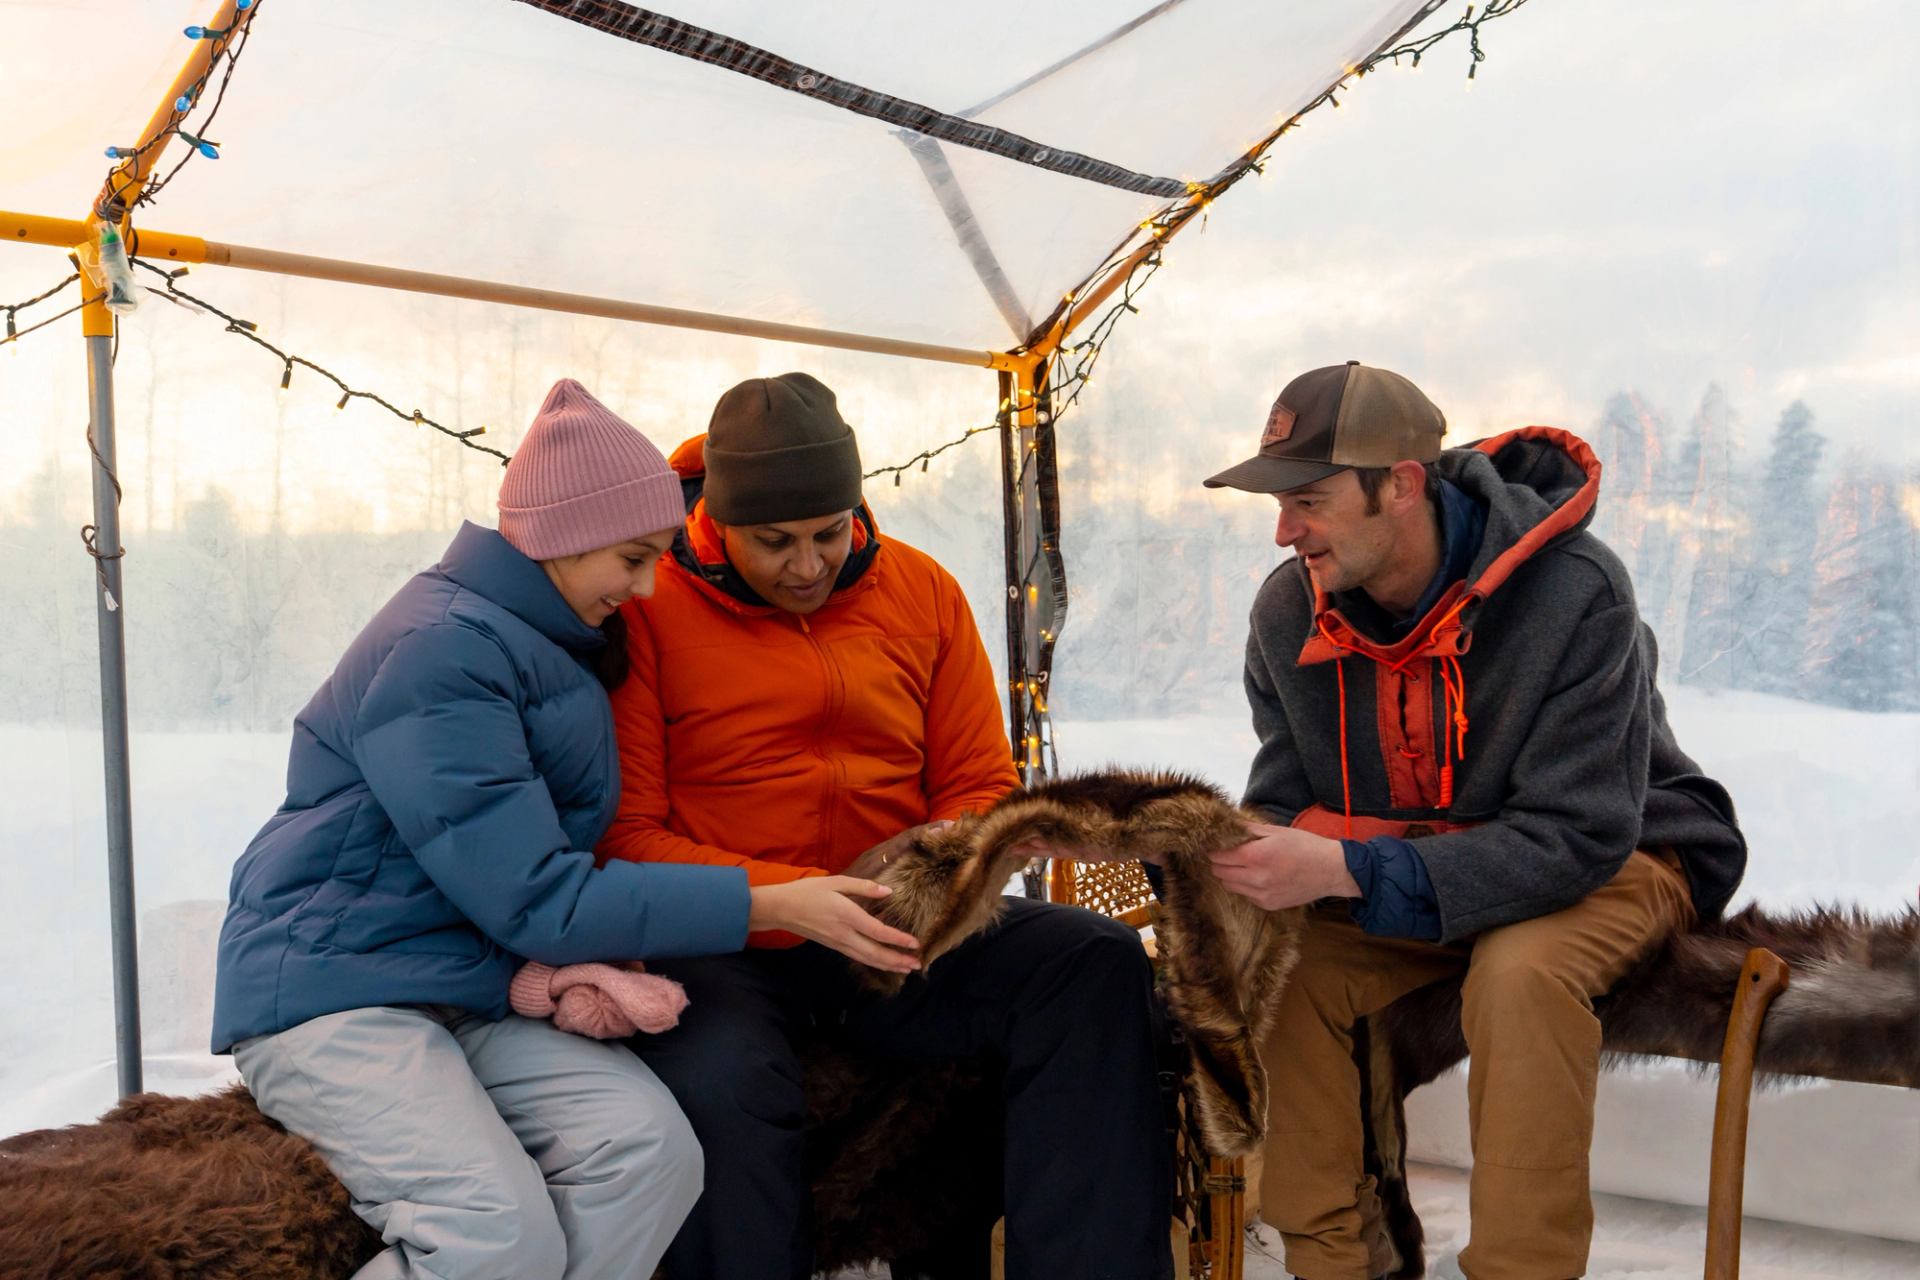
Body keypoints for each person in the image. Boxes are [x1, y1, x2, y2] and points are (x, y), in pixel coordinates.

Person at [210, 378, 906, 1280]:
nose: (648, 585)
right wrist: (773, 901)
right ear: (560, 537)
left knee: (647, 1153)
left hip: (458, 985)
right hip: (335, 992)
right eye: (633, 558)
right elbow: (542, 898)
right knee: (492, 1232)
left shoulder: (548, 640)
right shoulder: (442, 651)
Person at [598, 372, 1175, 1280]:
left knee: (1091, 962)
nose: (807, 565)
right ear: (718, 520)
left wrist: (933, 860)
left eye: (829, 532)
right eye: (774, 542)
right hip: (723, 941)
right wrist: (796, 897)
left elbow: (981, 783)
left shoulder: (922, 590)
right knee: (724, 1087)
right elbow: (628, 836)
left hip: (893, 927)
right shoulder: (645, 606)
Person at [1200, 361, 1747, 1280]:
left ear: (1401, 485)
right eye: (1279, 503)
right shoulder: (1288, 609)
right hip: (1422, 860)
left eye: (1309, 501)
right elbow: (1287, 797)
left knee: (1520, 975)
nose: (1284, 531)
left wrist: (1349, 866)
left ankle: (1520, 1270)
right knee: (1285, 965)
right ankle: (1335, 1264)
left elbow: (1574, 836)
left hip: (1621, 851)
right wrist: (1224, 849)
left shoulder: (1577, 592)